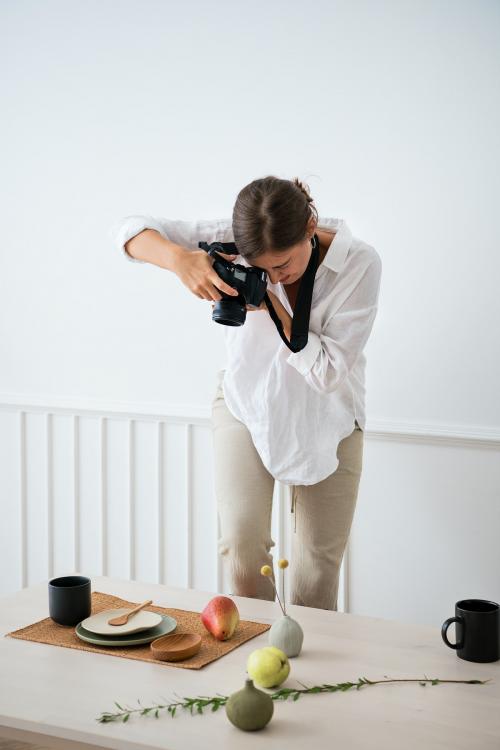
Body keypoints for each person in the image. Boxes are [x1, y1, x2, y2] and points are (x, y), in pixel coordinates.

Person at [110, 175, 382, 611]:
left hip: (328, 416)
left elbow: (329, 373)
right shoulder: (230, 239)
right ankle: (255, 658)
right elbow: (129, 232)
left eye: (284, 264)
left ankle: (306, 675)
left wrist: (272, 304)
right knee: (240, 549)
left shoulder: (360, 264)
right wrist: (183, 261)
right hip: (247, 402)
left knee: (316, 573)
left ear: (310, 228)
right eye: (265, 268)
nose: (275, 275)